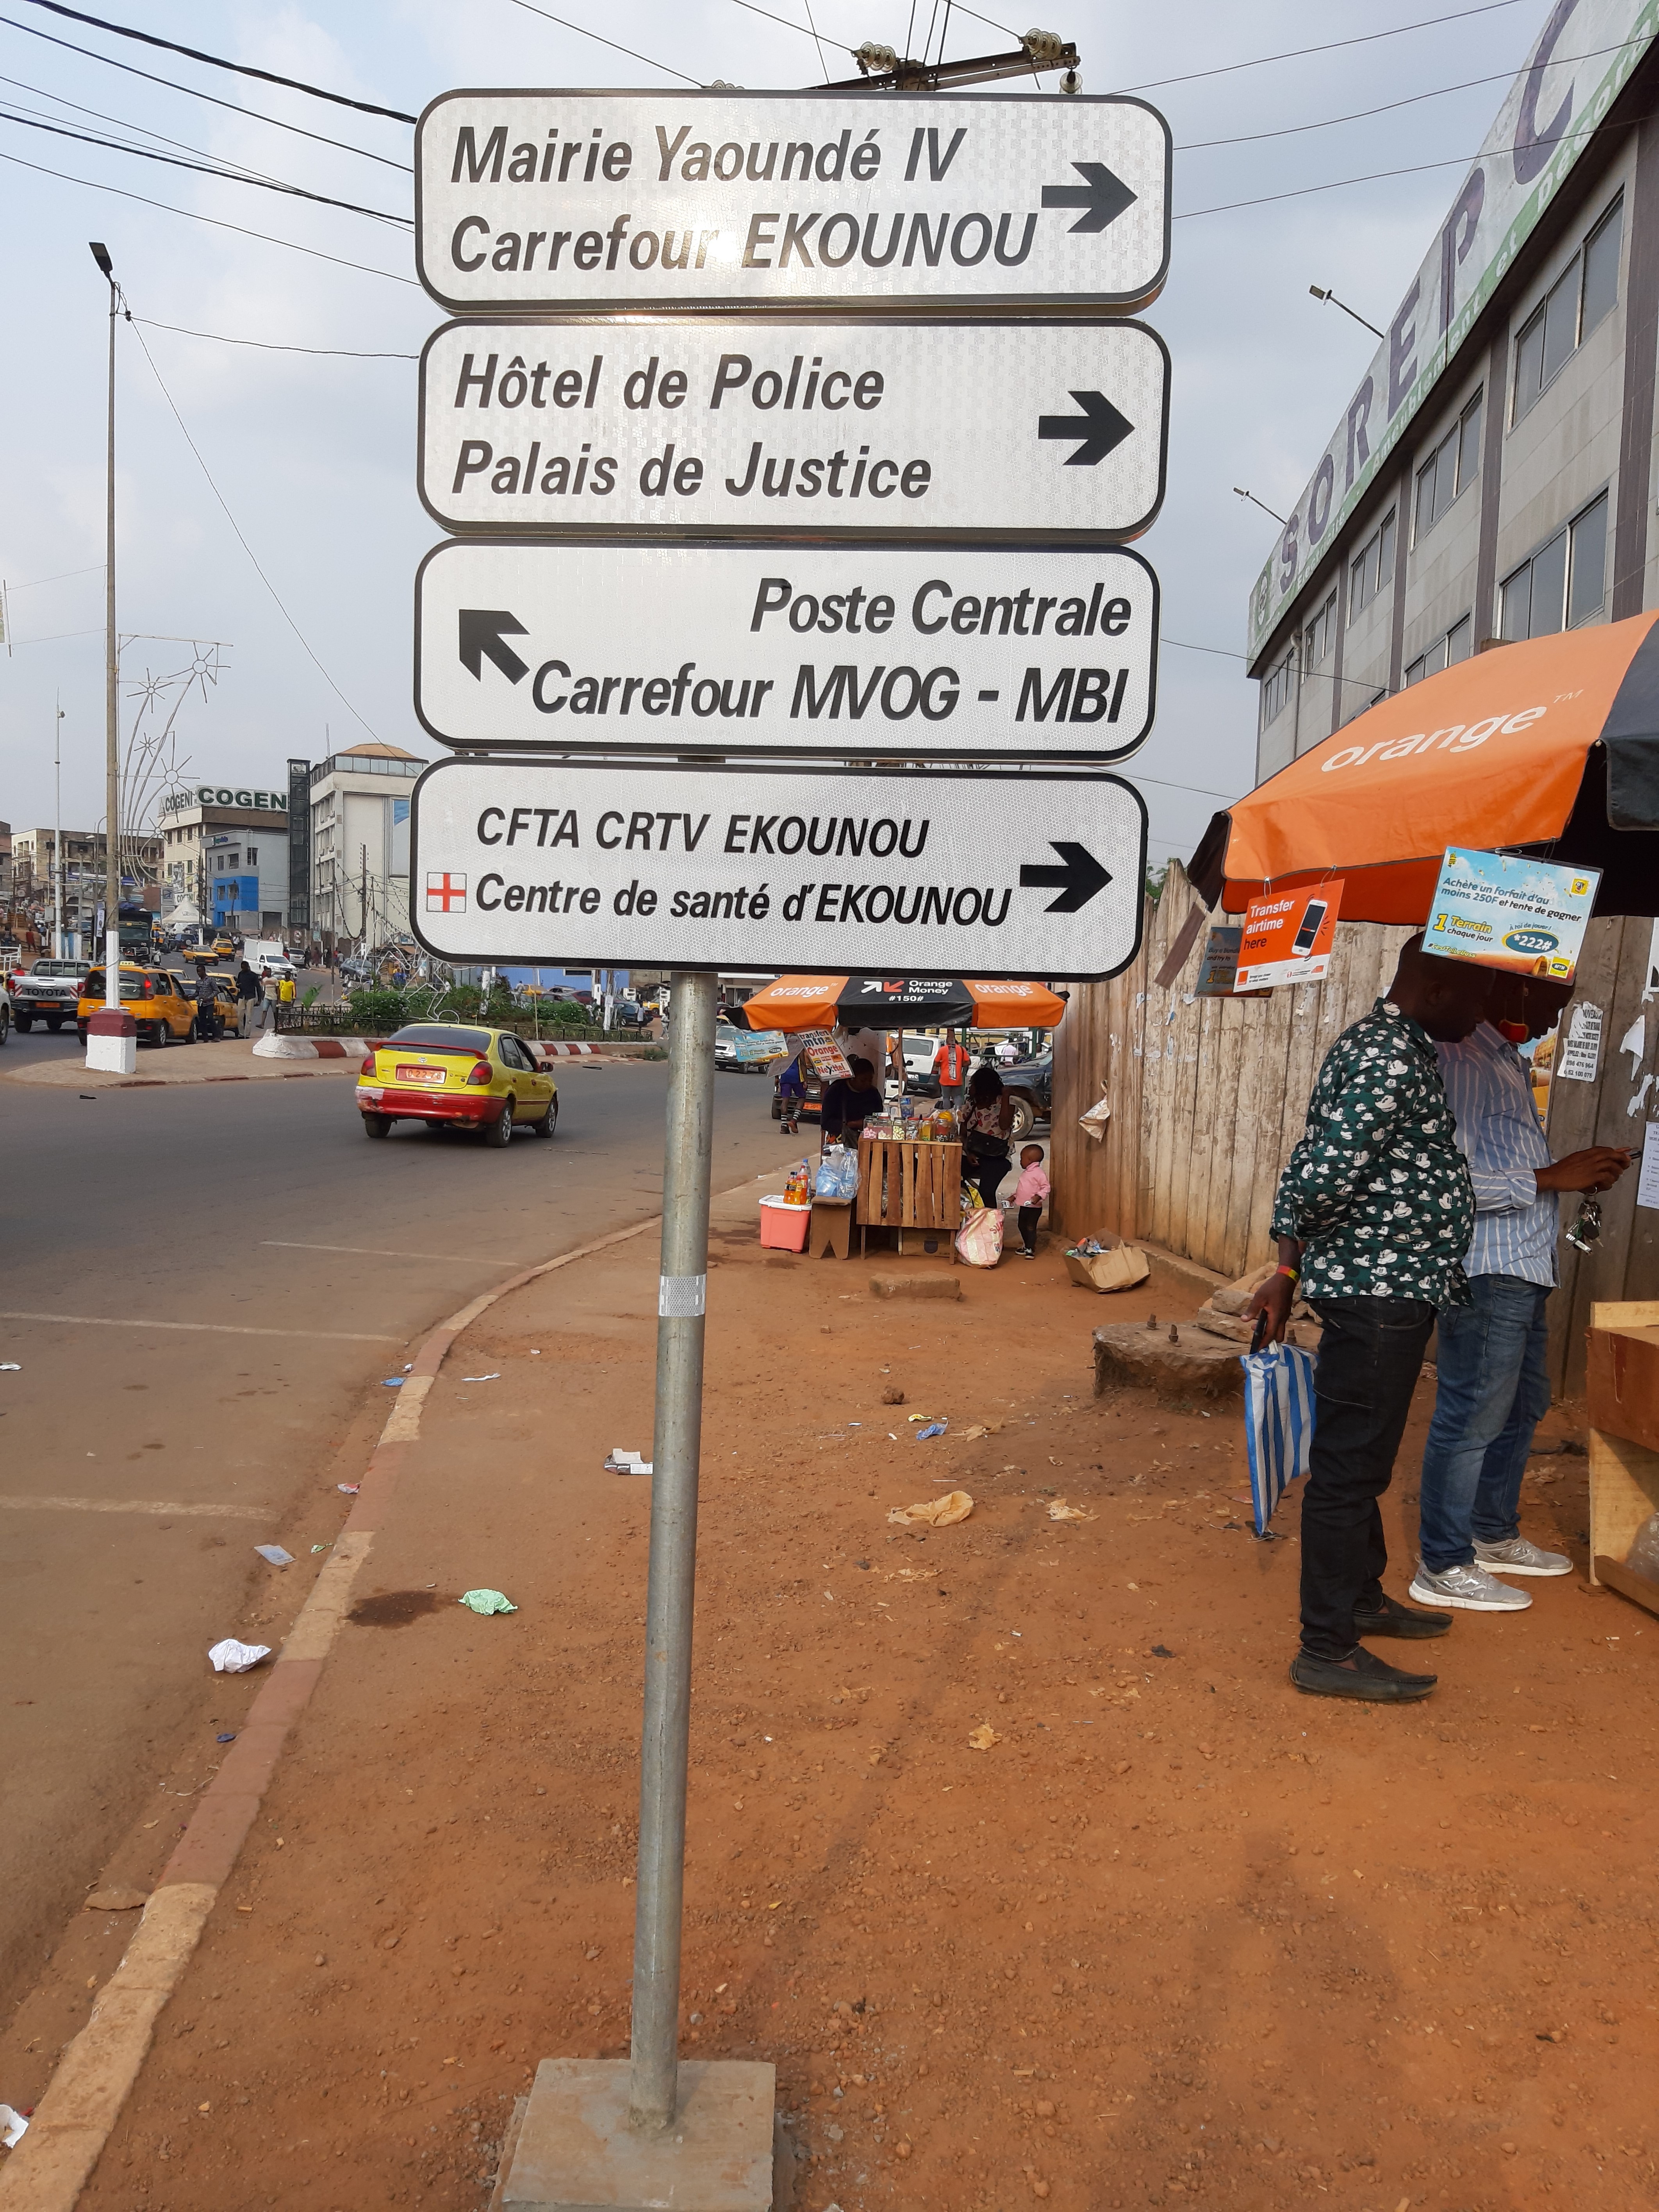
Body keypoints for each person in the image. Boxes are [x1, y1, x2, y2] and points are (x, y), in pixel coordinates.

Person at [1246, 935, 1493, 1705]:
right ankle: (1326, 1648)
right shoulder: (1390, 1054)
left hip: (1393, 1289)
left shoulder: (1397, 1047)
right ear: (1440, 988)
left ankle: (1358, 1598)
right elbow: (1318, 1174)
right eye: (1478, 998)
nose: (1484, 1018)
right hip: (1378, 1293)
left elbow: (1321, 1156)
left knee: (1363, 1461)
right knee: (1350, 1470)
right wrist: (1284, 1270)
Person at [1411, 972, 1633, 1613]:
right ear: (1504, 987)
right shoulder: (1457, 1058)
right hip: (1485, 1265)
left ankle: (1490, 1531)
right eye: (1544, 1001)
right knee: (1472, 1413)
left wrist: (1573, 1172)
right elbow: (1443, 1184)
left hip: (1524, 1264)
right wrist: (1551, 1175)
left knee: (1521, 1404)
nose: (1548, 1017)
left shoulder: (1500, 1055)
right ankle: (1443, 1561)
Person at [960, 1064, 1015, 1209]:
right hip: (973, 1154)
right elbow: (963, 1133)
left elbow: (1004, 1125)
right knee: (952, 1179)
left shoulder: (1004, 1103)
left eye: (973, 1084)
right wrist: (969, 1152)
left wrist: (1006, 1097)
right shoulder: (971, 1104)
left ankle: (992, 1223)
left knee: (987, 1191)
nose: (970, 1088)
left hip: (998, 1157)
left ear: (982, 1086)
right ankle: (966, 1214)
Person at [820, 1054, 881, 1147]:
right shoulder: (836, 1091)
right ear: (852, 1078)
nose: (868, 1084)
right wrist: (852, 1124)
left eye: (870, 1080)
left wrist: (869, 1124)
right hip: (839, 1144)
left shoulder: (873, 1094)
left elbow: (880, 1118)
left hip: (868, 1143)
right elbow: (826, 1122)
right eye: (863, 1080)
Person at [1011, 1144, 1051, 1258]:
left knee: (1031, 1227)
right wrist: (1013, 1197)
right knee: (1021, 1226)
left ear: (1030, 1160)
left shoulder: (1039, 1173)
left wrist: (1039, 1196)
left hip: (1034, 1208)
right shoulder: (1026, 1174)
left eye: (1021, 1158)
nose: (1020, 1161)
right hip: (1025, 1206)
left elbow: (1046, 1187)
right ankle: (1027, 1245)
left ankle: (1030, 1249)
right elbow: (1022, 1189)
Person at [934, 1028, 970, 1112]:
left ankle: (947, 1114)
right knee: (958, 1096)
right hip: (957, 1078)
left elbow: (936, 1063)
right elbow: (968, 1062)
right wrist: (960, 1065)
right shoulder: (962, 1049)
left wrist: (943, 1065)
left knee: (946, 1097)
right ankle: (958, 1113)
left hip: (945, 1079)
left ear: (947, 1040)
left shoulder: (943, 1050)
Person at [777, 1049, 806, 1135]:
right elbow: (803, 1063)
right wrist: (806, 1080)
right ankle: (794, 1120)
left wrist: (776, 1078)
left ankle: (783, 1126)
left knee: (785, 1101)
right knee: (802, 1098)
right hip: (796, 1076)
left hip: (785, 1075)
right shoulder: (799, 1047)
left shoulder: (782, 1047)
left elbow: (776, 1063)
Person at [234, 959, 261, 1037]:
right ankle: (241, 1034)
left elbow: (258, 988)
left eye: (244, 968)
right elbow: (238, 984)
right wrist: (238, 985)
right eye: (242, 968)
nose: (243, 969)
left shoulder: (253, 976)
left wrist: (259, 1000)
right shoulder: (241, 974)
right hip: (242, 996)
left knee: (249, 1018)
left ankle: (248, 1034)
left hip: (250, 997)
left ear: (248, 967)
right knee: (240, 1017)